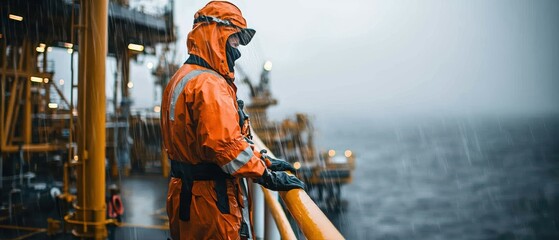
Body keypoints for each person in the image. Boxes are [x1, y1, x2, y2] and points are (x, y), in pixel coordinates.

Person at [160, 1, 304, 239]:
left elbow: (211, 140)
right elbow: (227, 148)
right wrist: (266, 175)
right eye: (235, 37)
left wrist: (263, 160)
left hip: (184, 196)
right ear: (217, 33)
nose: (238, 46)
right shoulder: (209, 84)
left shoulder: (181, 77)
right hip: (211, 203)